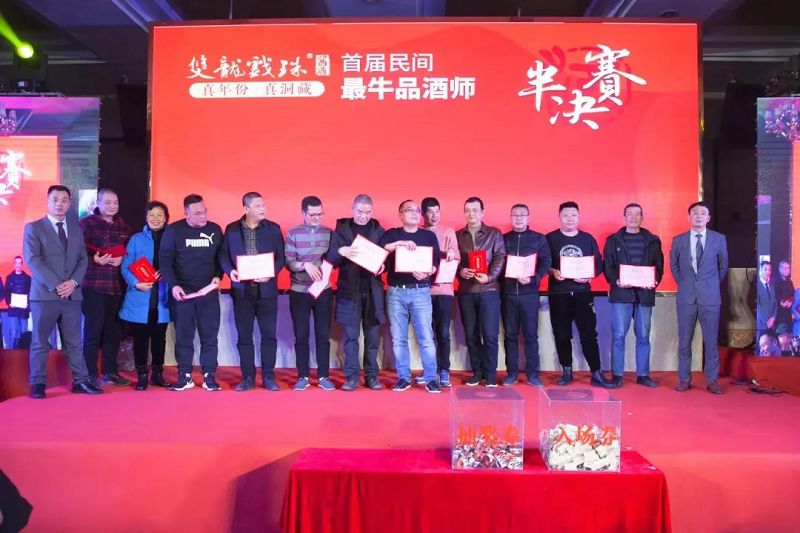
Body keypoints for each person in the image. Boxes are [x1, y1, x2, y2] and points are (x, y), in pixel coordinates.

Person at [23, 185, 102, 398]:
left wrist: (74, 282)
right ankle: (38, 383)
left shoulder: (76, 229)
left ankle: (80, 381)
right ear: (47, 202)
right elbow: (33, 259)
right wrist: (57, 284)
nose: (59, 204)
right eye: (55, 199)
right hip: (45, 295)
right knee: (40, 342)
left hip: (72, 296)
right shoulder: (34, 228)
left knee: (74, 342)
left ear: (69, 203)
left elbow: (83, 259)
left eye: (64, 200)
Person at [219, 192, 286, 391]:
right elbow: (223, 255)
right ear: (246, 208)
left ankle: (268, 376)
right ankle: (247, 377)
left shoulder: (273, 229)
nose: (262, 209)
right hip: (242, 291)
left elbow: (281, 258)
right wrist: (229, 271)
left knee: (269, 336)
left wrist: (270, 273)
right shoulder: (232, 229)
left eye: (263, 205)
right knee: (244, 337)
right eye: (258, 206)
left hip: (267, 291)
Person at [160, 193, 223, 392]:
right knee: (184, 337)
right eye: (197, 213)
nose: (203, 216)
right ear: (186, 213)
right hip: (183, 293)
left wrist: (218, 276)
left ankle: (209, 376)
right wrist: (173, 285)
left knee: (209, 336)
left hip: (208, 292)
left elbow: (221, 258)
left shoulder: (214, 230)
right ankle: (184, 375)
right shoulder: (173, 231)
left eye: (204, 212)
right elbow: (165, 261)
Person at [547, 201, 614, 388]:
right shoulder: (550, 239)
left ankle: (596, 372)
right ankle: (566, 370)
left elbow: (598, 264)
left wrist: (589, 276)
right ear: (559, 217)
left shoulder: (587, 239)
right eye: (566, 215)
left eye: (573, 215)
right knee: (561, 334)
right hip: (558, 293)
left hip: (582, 293)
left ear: (578, 217)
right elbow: (543, 262)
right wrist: (553, 271)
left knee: (589, 334)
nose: (570, 219)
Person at [379, 200, 441, 393]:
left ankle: (430, 378)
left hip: (420, 291)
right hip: (396, 292)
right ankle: (403, 377)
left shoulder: (428, 236)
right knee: (399, 338)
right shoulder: (392, 234)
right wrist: (399, 244)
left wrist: (429, 271)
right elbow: (381, 248)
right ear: (400, 214)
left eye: (417, 210)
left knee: (426, 338)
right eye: (409, 210)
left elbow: (436, 261)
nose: (414, 213)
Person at [327, 194, 386, 392]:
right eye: (360, 212)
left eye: (367, 212)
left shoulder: (378, 230)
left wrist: (383, 267)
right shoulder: (341, 230)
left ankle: (372, 376)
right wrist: (340, 252)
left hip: (373, 291)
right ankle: (351, 377)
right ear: (352, 210)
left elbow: (386, 260)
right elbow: (331, 258)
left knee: (372, 337)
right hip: (349, 291)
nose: (363, 216)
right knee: (351, 337)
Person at [670, 201, 729, 394]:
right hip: (686, 297)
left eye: (703, 213)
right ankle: (684, 379)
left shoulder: (719, 239)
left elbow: (723, 266)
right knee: (684, 341)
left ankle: (712, 380)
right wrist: (685, 284)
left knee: (711, 342)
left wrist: (710, 285)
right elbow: (674, 266)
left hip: (710, 298)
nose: (698, 216)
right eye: (695, 213)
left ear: (708, 218)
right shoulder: (678, 240)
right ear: (689, 217)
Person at [603, 203, 664, 388]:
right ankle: (617, 375)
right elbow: (608, 266)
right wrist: (616, 280)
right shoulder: (613, 240)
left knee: (644, 336)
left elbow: (658, 266)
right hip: (621, 294)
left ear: (642, 218)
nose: (633, 217)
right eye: (630, 214)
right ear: (624, 217)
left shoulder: (653, 240)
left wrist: (654, 280)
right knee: (618, 335)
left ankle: (643, 375)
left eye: (637, 214)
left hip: (644, 295)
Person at [79, 188, 132, 386]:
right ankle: (89, 374)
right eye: (107, 202)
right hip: (93, 285)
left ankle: (110, 372)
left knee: (113, 333)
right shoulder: (86, 224)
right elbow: (76, 253)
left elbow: (131, 253)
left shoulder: (124, 227)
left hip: (116, 286)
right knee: (92, 332)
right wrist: (93, 259)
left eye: (115, 202)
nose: (112, 206)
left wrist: (123, 260)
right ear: (98, 203)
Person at [119, 201, 172, 390]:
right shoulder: (136, 239)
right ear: (146, 217)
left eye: (160, 215)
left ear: (166, 218)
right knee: (140, 338)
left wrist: (170, 274)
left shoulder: (172, 238)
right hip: (140, 295)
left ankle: (157, 373)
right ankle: (142, 374)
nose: (155, 219)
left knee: (160, 337)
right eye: (152, 215)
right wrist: (136, 283)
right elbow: (126, 266)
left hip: (163, 296)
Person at [285, 196, 335, 391]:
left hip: (323, 291)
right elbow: (289, 263)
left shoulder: (329, 233)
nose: (317, 218)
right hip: (299, 291)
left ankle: (323, 376)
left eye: (320, 214)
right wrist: (305, 265)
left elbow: (334, 259)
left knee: (323, 335)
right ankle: (303, 376)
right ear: (303, 213)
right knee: (301, 335)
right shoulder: (293, 233)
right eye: (312, 214)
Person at [456, 197, 506, 387]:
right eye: (468, 210)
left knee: (490, 335)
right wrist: (460, 271)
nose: (471, 213)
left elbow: (500, 256)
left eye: (475, 210)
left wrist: (490, 277)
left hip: (489, 290)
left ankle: (491, 374)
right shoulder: (458, 235)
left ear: (482, 212)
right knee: (471, 334)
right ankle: (477, 372)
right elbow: (453, 260)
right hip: (466, 291)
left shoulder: (494, 233)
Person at [500, 203, 551, 387]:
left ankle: (533, 374)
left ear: (528, 217)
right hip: (508, 293)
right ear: (510, 217)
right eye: (515, 215)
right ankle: (511, 373)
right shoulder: (503, 239)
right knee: (510, 335)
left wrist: (532, 279)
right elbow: (497, 262)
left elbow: (546, 262)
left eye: (522, 215)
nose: (519, 218)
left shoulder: (539, 239)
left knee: (530, 335)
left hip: (529, 294)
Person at [420, 197, 459, 387]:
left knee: (443, 332)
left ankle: (444, 370)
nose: (434, 215)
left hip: (443, 290)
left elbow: (456, 257)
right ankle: (430, 370)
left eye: (437, 211)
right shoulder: (418, 233)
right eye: (430, 211)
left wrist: (452, 254)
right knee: (426, 335)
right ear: (423, 214)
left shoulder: (448, 232)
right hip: (422, 291)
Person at [3, 257, 31, 349]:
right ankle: (12, 353)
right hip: (13, 309)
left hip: (24, 310)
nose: (18, 265)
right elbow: (6, 292)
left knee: (24, 333)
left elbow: (30, 292)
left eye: (20, 263)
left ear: (22, 264)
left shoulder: (27, 278)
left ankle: (24, 353)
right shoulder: (9, 277)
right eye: (16, 263)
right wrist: (9, 302)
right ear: (14, 264)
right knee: (14, 333)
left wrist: (27, 303)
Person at [756, 260, 777, 342]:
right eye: (765, 269)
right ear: (760, 270)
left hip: (771, 326)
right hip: (760, 326)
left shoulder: (772, 287)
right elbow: (756, 306)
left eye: (769, 270)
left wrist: (773, 318)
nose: (768, 272)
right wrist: (766, 321)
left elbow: (775, 304)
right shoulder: (756, 285)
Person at [775, 260, 794, 333]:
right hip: (779, 314)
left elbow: (793, 294)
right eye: (785, 268)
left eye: (788, 268)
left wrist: (791, 301)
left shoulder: (789, 281)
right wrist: (781, 302)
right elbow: (775, 296)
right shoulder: (776, 281)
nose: (787, 270)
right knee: (780, 334)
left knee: (788, 334)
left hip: (788, 314)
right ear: (780, 269)